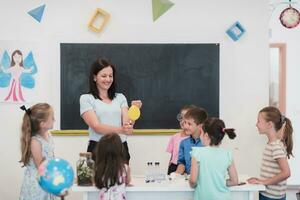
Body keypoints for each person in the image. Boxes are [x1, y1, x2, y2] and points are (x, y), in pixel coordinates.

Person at [80, 58, 142, 162]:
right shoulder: (86, 99)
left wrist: (134, 110)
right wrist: (122, 130)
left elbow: (127, 123)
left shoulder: (120, 97)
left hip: (120, 147)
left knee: (122, 178)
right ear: (95, 77)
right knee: (97, 178)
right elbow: (96, 126)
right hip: (98, 147)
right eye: (104, 76)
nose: (108, 79)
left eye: (110, 76)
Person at [247, 106, 293, 200]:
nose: (256, 124)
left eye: (259, 121)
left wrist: (265, 182)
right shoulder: (272, 144)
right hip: (267, 194)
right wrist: (261, 180)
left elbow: (286, 173)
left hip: (272, 197)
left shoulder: (275, 146)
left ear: (269, 124)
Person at [189, 117, 238, 200]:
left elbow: (193, 181)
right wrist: (220, 182)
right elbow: (234, 181)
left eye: (201, 133)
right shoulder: (227, 154)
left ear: (206, 135)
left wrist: (191, 184)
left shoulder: (197, 152)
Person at [19, 103, 56, 200]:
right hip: (38, 184)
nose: (54, 120)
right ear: (42, 124)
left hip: (47, 178)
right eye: (52, 118)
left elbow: (51, 158)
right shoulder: (35, 142)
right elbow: (41, 167)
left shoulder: (48, 135)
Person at [94, 133, 131, 200]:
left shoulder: (98, 169)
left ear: (100, 151)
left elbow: (96, 181)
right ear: (120, 150)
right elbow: (127, 181)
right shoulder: (125, 168)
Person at [175, 106, 208, 175]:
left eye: (189, 124)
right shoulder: (183, 143)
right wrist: (176, 175)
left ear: (200, 126)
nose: (185, 126)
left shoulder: (208, 143)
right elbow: (182, 163)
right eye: (185, 123)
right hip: (189, 182)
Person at [166, 105, 196, 175]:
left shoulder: (195, 139)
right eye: (181, 118)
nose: (183, 121)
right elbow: (171, 157)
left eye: (187, 119)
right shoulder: (175, 137)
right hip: (174, 166)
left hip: (188, 167)